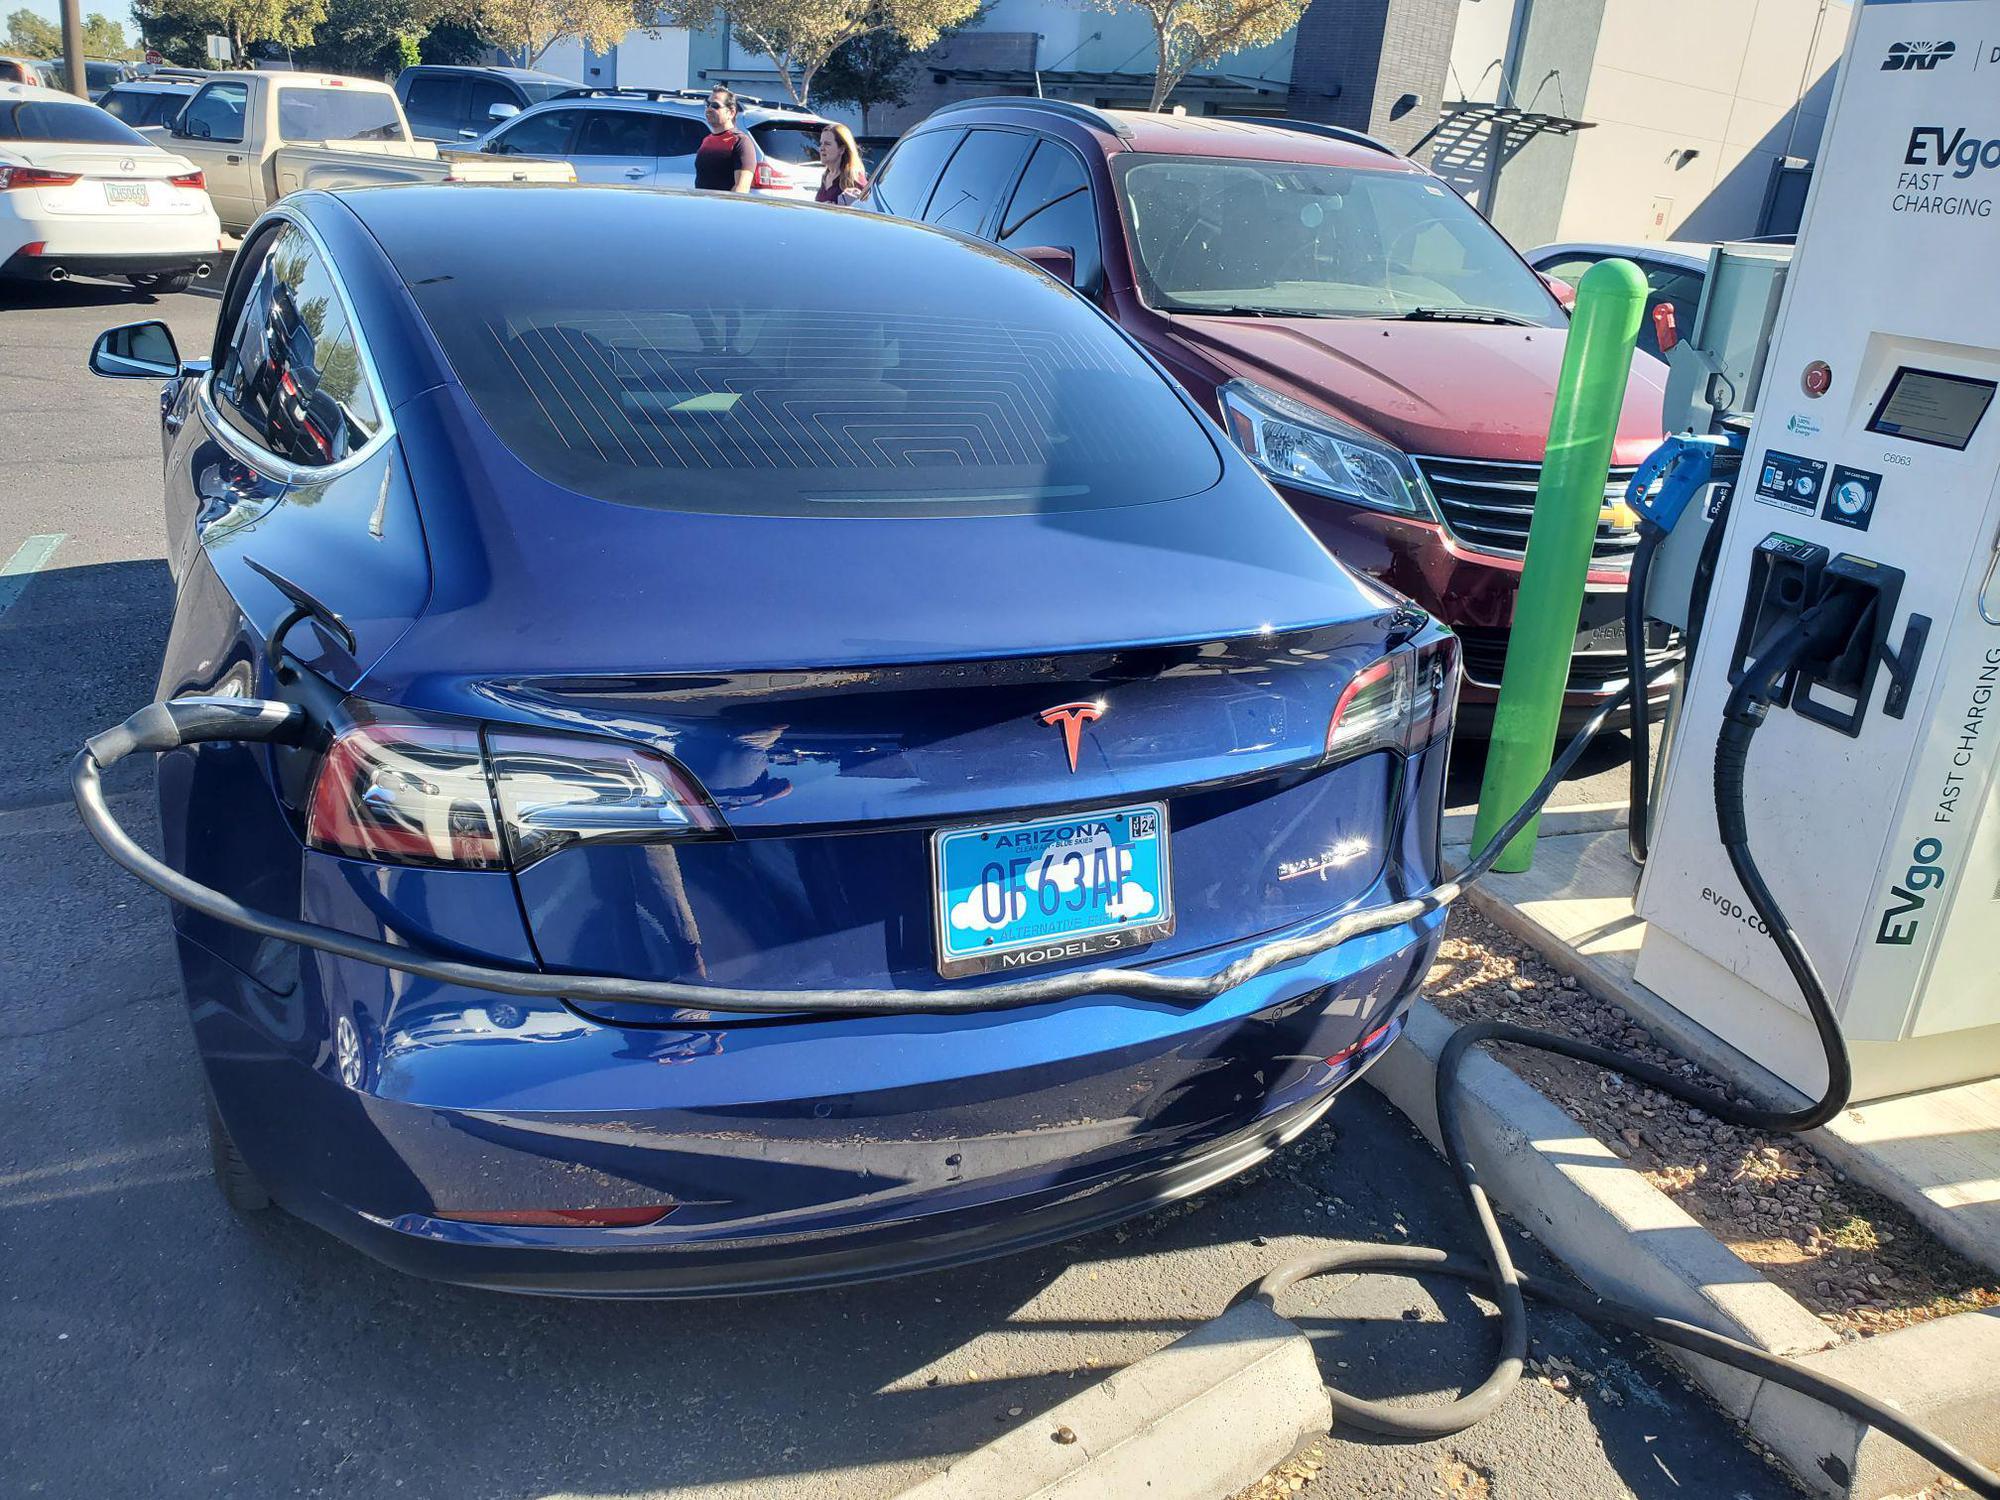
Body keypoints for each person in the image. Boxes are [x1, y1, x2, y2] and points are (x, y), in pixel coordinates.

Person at [693, 88, 756, 193]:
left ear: (731, 112)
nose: (709, 109)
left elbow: (741, 188)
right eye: (707, 105)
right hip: (703, 206)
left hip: (724, 207)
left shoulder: (741, 142)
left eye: (715, 106)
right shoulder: (706, 140)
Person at [815, 122, 868, 206]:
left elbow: (863, 211)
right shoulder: (826, 176)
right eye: (821, 144)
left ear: (842, 149)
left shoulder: (854, 179)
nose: (822, 148)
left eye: (827, 144)